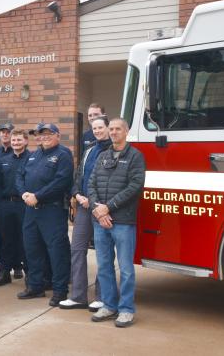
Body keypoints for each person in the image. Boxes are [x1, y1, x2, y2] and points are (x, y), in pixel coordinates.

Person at [88, 118, 145, 328]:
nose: (113, 132)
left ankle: (126, 309)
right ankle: (109, 306)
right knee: (103, 266)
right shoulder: (103, 156)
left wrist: (108, 207)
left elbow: (135, 186)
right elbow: (91, 184)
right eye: (110, 129)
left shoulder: (135, 157)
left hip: (123, 221)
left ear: (126, 131)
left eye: (117, 129)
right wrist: (98, 210)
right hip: (100, 221)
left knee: (126, 269)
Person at [16, 123, 73, 306]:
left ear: (58, 135)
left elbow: (61, 182)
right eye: (41, 134)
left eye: (49, 133)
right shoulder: (34, 155)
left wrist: (38, 196)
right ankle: (36, 286)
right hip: (31, 210)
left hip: (52, 210)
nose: (44, 137)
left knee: (57, 252)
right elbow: (19, 175)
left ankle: (60, 290)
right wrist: (24, 193)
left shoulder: (63, 155)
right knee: (32, 249)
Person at [59, 116, 111, 310]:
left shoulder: (113, 151)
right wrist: (77, 194)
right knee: (77, 249)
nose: (97, 131)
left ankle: (102, 296)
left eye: (100, 127)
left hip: (100, 208)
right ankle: (79, 296)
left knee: (103, 253)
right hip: (82, 206)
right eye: (94, 128)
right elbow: (78, 175)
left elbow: (110, 181)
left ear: (108, 128)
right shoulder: (89, 150)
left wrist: (95, 199)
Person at [0, 129, 29, 286]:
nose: (16, 143)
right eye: (14, 140)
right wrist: (0, 204)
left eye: (19, 140)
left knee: (26, 240)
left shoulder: (32, 159)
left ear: (26, 141)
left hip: (24, 204)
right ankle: (5, 272)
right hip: (6, 204)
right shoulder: (3, 160)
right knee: (6, 239)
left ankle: (30, 273)